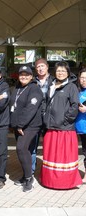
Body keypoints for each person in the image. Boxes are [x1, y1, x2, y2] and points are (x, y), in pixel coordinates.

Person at [41, 61, 82, 189]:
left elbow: (75, 106)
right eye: (58, 70)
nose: (60, 73)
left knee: (63, 157)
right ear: (54, 72)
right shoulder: (51, 84)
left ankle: (64, 182)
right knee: (51, 155)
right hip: (51, 127)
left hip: (65, 129)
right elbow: (47, 103)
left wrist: (65, 120)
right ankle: (50, 181)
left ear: (68, 73)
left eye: (63, 71)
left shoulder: (71, 87)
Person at [10, 65, 43, 192]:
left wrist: (20, 124)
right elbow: (14, 105)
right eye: (21, 74)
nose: (24, 76)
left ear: (31, 76)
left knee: (21, 148)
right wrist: (13, 124)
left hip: (30, 125)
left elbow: (31, 108)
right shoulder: (17, 88)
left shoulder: (34, 89)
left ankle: (30, 178)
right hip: (19, 125)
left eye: (27, 75)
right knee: (25, 151)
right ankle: (25, 176)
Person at [29, 58, 54, 175]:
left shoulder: (54, 81)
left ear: (47, 67)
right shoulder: (32, 82)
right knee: (32, 147)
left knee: (50, 147)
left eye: (42, 66)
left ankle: (49, 172)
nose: (40, 68)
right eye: (38, 67)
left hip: (50, 118)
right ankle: (31, 172)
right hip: (35, 118)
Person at [75, 68, 86, 184]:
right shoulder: (77, 91)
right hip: (79, 128)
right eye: (82, 77)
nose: (84, 80)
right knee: (84, 152)